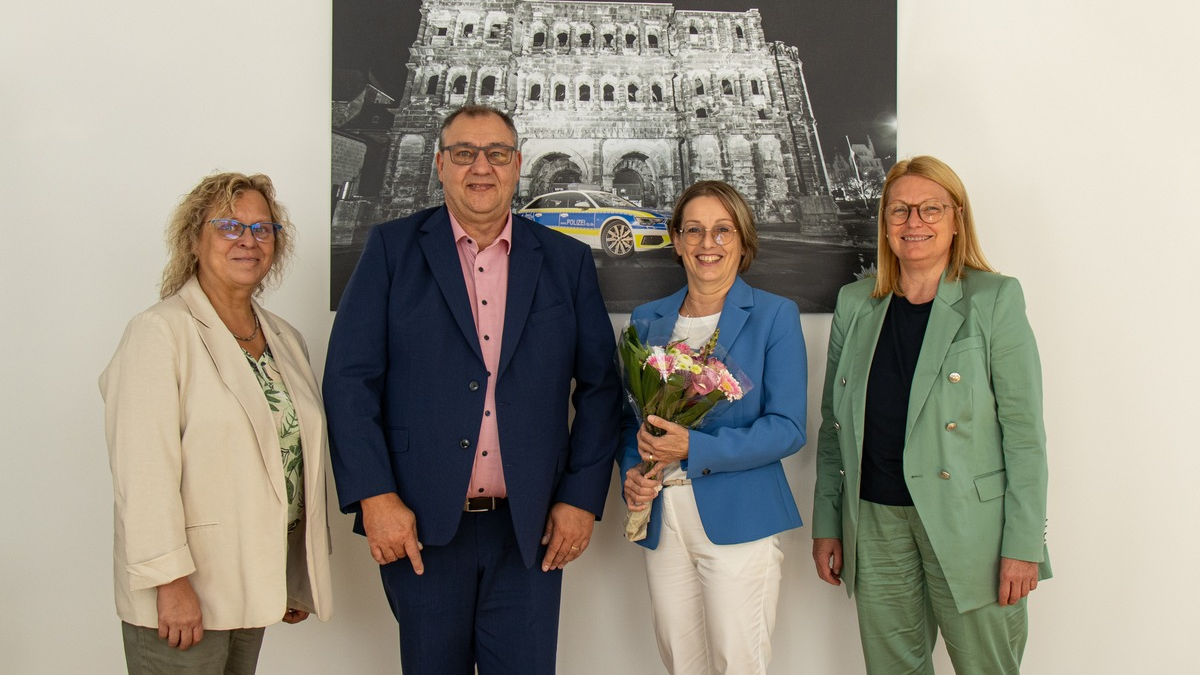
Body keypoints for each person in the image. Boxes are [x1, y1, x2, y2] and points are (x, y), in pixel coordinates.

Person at [323, 105, 621, 675]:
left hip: (530, 531)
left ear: (517, 166)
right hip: (422, 527)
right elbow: (348, 381)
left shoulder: (567, 261)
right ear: (440, 164)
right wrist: (375, 496)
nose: (480, 167)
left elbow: (602, 389)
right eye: (464, 153)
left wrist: (581, 499)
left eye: (496, 154)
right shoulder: (391, 250)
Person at [811, 156, 1050, 674]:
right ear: (884, 224)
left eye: (930, 209)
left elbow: (1025, 436)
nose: (913, 222)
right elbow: (834, 429)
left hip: (973, 528)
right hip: (875, 523)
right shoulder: (856, 303)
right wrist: (828, 522)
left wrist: (1024, 544)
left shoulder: (994, 299)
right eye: (899, 211)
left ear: (957, 219)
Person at [99, 173, 333, 674]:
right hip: (185, 595)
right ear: (193, 239)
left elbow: (289, 463)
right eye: (229, 226)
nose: (248, 241)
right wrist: (170, 583)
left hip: (252, 580)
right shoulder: (159, 332)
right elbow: (143, 474)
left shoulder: (285, 339)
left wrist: (289, 575)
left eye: (262, 229)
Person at [620, 180, 807, 675]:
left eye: (723, 230)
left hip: (740, 517)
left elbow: (788, 428)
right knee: (680, 663)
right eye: (695, 230)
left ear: (743, 241)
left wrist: (694, 446)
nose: (709, 244)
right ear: (676, 239)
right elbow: (629, 420)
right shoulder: (646, 319)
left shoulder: (774, 316)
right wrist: (631, 472)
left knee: (737, 663)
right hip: (663, 519)